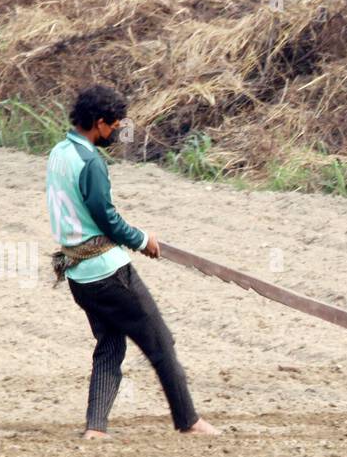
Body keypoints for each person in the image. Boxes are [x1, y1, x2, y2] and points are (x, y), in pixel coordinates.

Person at [45, 84, 219, 438]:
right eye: (113, 125)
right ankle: (189, 421)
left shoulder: (58, 153)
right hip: (108, 274)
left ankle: (96, 428)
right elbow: (106, 217)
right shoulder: (90, 162)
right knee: (161, 342)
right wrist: (142, 240)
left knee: (110, 346)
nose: (115, 132)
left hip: (79, 276)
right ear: (98, 123)